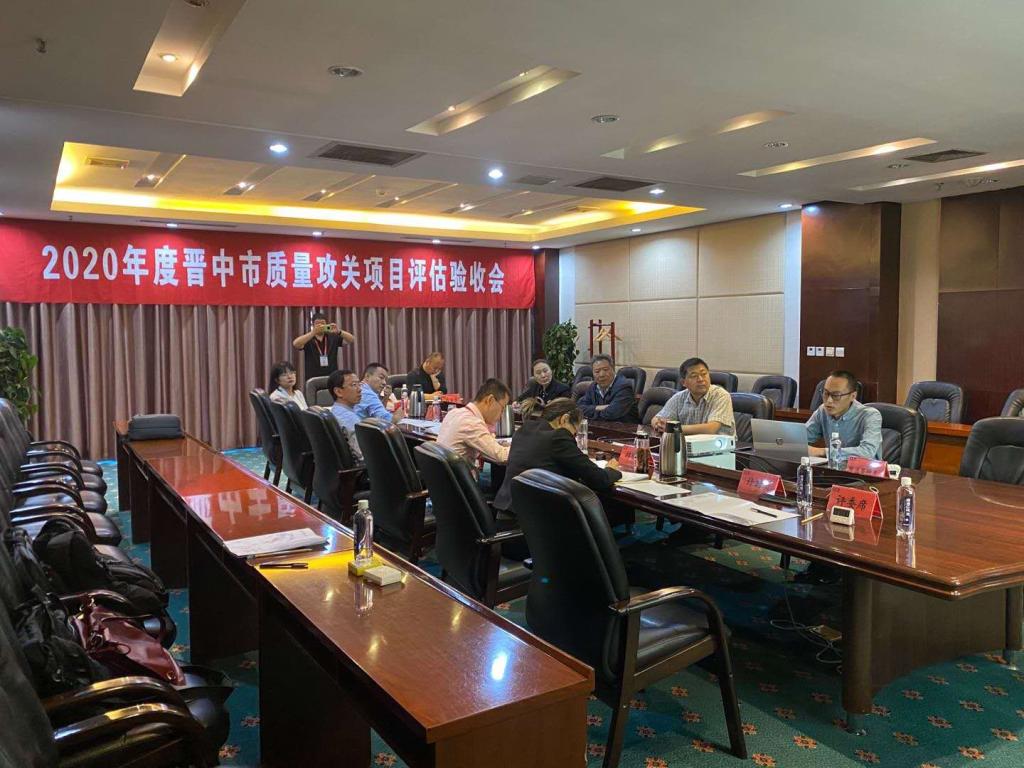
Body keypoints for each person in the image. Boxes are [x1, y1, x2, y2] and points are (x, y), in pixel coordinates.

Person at [494, 398, 621, 513]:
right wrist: (611, 469)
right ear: (564, 419)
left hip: (507, 513)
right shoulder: (558, 437)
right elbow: (599, 479)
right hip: (538, 521)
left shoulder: (524, 430)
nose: (573, 436)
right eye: (574, 431)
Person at [805, 369, 882, 461]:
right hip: (834, 467)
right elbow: (801, 438)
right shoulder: (823, 411)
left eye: (836, 395)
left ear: (853, 396)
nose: (829, 400)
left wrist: (823, 452)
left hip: (865, 469)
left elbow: (867, 452)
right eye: (826, 393)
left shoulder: (870, 416)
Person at [436, 378, 511, 467]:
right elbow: (502, 456)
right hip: (459, 475)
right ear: (490, 400)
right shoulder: (472, 423)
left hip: (444, 473)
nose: (501, 415)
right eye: (502, 408)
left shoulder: (454, 412)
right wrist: (523, 448)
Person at [651, 357, 735, 434]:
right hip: (689, 444)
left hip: (718, 444)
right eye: (694, 376)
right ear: (684, 382)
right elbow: (656, 419)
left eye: (704, 374)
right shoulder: (679, 397)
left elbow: (711, 429)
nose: (701, 379)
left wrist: (674, 429)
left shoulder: (721, 395)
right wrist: (659, 424)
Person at [576, 355, 639, 423]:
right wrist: (599, 407)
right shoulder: (593, 387)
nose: (602, 375)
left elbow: (612, 413)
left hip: (624, 427)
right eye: (597, 371)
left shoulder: (624, 387)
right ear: (593, 373)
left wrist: (591, 411)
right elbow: (579, 408)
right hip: (600, 426)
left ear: (613, 369)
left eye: (605, 370)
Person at [292, 312, 356, 379]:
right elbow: (296, 344)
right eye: (317, 324)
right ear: (313, 325)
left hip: (332, 376)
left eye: (323, 323)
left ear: (326, 324)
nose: (321, 326)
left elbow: (351, 340)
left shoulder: (332, 337)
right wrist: (313, 333)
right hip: (313, 376)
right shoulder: (308, 338)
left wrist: (339, 331)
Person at [327, 368, 364, 461]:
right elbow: (362, 455)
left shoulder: (335, 410)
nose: (360, 389)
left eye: (359, 384)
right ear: (338, 392)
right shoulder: (349, 418)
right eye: (354, 385)